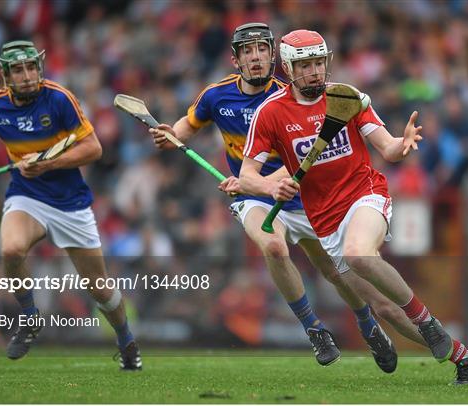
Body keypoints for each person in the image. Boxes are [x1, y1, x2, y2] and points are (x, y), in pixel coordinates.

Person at [150, 23, 429, 372]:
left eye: (261, 50)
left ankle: (367, 324)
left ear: (275, 56)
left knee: (334, 271)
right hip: (253, 193)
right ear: (235, 59)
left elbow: (308, 159)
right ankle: (313, 328)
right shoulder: (215, 96)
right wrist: (170, 134)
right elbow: (189, 125)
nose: (255, 57)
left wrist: (275, 181)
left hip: (300, 191)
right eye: (247, 52)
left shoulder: (293, 94)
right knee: (274, 247)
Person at [240, 29, 468, 385]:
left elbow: (387, 149)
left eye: (319, 63)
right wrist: (270, 184)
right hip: (325, 222)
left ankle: (427, 320)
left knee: (358, 254)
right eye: (305, 65)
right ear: (289, 69)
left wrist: (403, 144)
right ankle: (463, 357)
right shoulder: (271, 114)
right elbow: (247, 175)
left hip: (365, 195)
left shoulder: (345, 97)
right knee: (385, 308)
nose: (314, 72)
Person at [0, 40, 141, 371]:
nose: (28, 76)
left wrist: (46, 164)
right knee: (11, 250)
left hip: (70, 204)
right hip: (27, 196)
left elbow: (94, 149)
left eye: (32, 67)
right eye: (19, 70)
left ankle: (126, 340)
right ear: (6, 76)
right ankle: (30, 317)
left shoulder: (59, 98)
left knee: (100, 290)